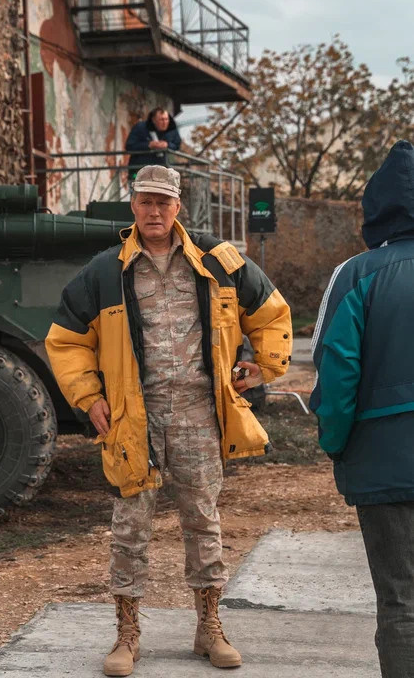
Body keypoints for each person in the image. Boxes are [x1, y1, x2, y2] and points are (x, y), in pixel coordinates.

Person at [46, 165, 292, 676]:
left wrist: (264, 366)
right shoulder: (104, 272)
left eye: (163, 202)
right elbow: (66, 341)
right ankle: (127, 635)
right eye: (144, 202)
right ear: (132, 206)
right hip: (134, 421)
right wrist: (89, 398)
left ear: (178, 207)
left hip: (200, 416)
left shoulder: (217, 261)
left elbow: (270, 312)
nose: (153, 212)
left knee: (203, 521)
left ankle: (209, 628)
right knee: (129, 528)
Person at [311, 139, 414, 678]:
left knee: (401, 604)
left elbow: (336, 375)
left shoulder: (356, 274)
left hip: (383, 467)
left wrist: (335, 443)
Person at [125, 107, 182, 181]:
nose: (165, 122)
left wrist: (167, 145)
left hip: (163, 173)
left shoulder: (172, 130)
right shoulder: (140, 128)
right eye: (161, 119)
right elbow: (129, 146)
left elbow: (177, 146)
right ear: (153, 120)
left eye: (166, 119)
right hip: (140, 171)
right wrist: (149, 145)